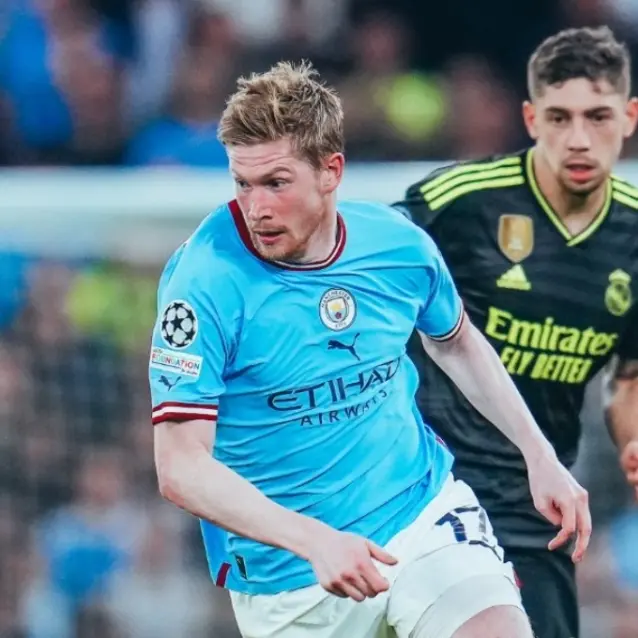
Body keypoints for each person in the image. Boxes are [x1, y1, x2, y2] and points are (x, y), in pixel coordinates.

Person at [149, 61, 590, 638]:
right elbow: (180, 468)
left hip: (420, 515)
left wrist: (539, 454)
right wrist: (316, 541)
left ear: (330, 171)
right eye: (242, 183)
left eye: (276, 183)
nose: (256, 207)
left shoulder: (397, 246)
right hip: (291, 573)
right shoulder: (203, 281)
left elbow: (456, 341)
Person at [395, 26, 638, 638]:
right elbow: (358, 270)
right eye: (559, 117)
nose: (578, 138)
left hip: (538, 510)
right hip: (426, 497)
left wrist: (634, 439)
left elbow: (629, 377)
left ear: (629, 118)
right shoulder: (458, 202)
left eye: (597, 117)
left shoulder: (633, 234)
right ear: (531, 119)